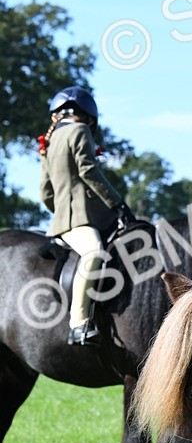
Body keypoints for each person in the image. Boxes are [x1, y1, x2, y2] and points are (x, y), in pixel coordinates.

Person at [39, 86, 131, 346]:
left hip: (64, 220)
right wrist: (117, 203)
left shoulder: (49, 144)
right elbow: (88, 171)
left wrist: (60, 213)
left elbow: (45, 192)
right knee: (94, 253)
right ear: (89, 118)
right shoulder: (79, 130)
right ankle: (78, 323)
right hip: (80, 220)